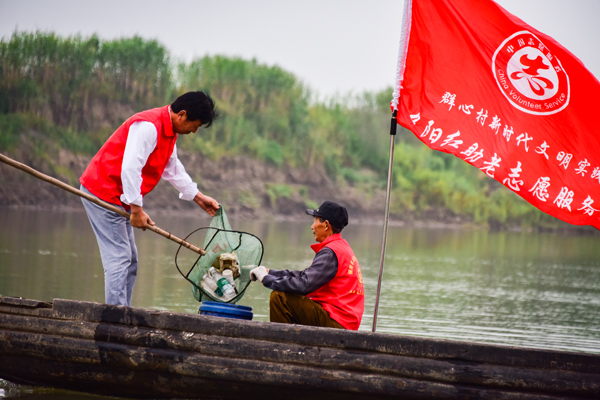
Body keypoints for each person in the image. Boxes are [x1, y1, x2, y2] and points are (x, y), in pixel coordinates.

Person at [79, 91, 220, 306]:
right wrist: (136, 209)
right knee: (119, 257)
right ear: (182, 115)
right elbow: (130, 168)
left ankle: (122, 310)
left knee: (131, 260)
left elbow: (172, 168)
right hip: (102, 192)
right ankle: (114, 316)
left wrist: (198, 197)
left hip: (120, 197)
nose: (194, 131)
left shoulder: (169, 131)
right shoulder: (149, 126)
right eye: (196, 125)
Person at [250, 201, 364, 330]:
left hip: (338, 323)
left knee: (280, 297)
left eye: (315, 221)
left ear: (326, 225)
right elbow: (304, 276)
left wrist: (265, 279)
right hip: (342, 321)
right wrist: (269, 272)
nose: (312, 226)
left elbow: (304, 285)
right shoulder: (341, 248)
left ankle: (282, 341)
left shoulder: (330, 252)